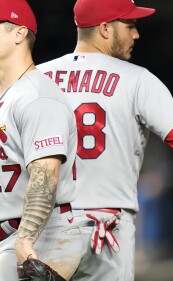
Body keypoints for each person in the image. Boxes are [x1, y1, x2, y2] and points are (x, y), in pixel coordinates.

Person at [36, 0, 173, 280]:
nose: (136, 34)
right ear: (106, 29)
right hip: (108, 234)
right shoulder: (137, 80)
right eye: (130, 25)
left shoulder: (36, 79)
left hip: (45, 230)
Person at [0, 0, 81, 280]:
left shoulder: (37, 96)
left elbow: (45, 175)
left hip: (39, 235)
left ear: (19, 34)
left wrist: (26, 242)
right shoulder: (9, 97)